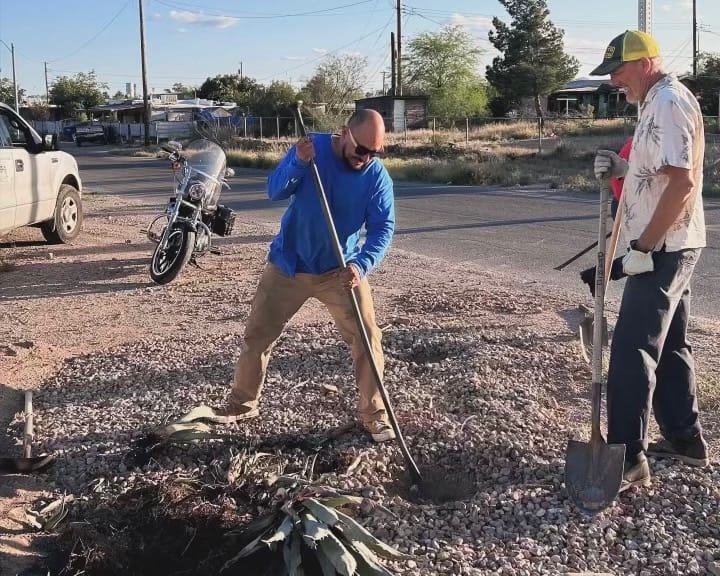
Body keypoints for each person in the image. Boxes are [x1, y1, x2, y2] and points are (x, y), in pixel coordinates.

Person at [214, 108, 397, 443]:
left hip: (341, 272)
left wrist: (361, 265)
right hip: (289, 265)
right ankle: (242, 404)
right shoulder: (311, 148)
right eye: (362, 150)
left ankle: (374, 415)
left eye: (376, 152)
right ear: (344, 133)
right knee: (258, 335)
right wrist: (297, 161)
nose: (367, 158)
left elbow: (383, 229)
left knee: (368, 337)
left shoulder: (376, 177)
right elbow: (274, 191)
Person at [590, 30, 709, 491]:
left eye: (618, 71)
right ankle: (684, 439)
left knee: (630, 347)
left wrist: (643, 248)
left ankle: (626, 455)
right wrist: (621, 170)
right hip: (671, 243)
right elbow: (659, 171)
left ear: (643, 62)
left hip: (663, 246)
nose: (615, 81)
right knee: (672, 340)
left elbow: (683, 183)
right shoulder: (656, 100)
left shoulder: (668, 101)